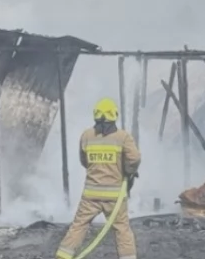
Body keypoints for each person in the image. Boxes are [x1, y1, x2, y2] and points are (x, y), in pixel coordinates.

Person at [55, 97, 141, 259]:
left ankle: (62, 256)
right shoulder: (123, 137)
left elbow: (84, 160)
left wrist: (97, 169)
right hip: (115, 196)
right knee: (122, 229)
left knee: (78, 226)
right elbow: (134, 158)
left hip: (91, 195)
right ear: (114, 115)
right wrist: (128, 171)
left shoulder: (87, 135)